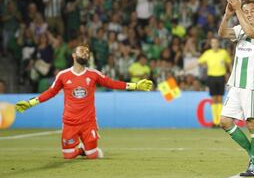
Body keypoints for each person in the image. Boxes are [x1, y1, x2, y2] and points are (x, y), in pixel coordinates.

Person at [15, 43, 153, 159]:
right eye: (82, 51)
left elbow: (112, 83)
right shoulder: (63, 75)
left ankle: (87, 150)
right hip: (70, 122)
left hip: (88, 122)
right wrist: (30, 103)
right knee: (68, 156)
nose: (85, 53)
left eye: (87, 52)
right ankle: (81, 150)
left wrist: (135, 86)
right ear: (74, 55)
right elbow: (51, 92)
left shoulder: (93, 74)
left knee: (93, 155)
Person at [218, 0, 254, 177]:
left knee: (252, 123)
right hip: (236, 84)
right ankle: (253, 153)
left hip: (252, 84)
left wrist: (239, 10)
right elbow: (222, 33)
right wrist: (227, 14)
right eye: (246, 11)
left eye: (251, 11)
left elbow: (251, 33)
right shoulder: (240, 28)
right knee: (224, 121)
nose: (248, 14)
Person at [197, 37, 231, 126]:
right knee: (213, 98)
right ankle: (215, 121)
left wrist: (231, 74)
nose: (214, 44)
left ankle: (220, 120)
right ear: (211, 44)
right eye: (212, 43)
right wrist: (205, 65)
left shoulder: (223, 53)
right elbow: (199, 62)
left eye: (215, 42)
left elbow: (229, 63)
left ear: (218, 44)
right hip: (211, 76)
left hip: (221, 76)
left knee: (219, 98)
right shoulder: (207, 53)